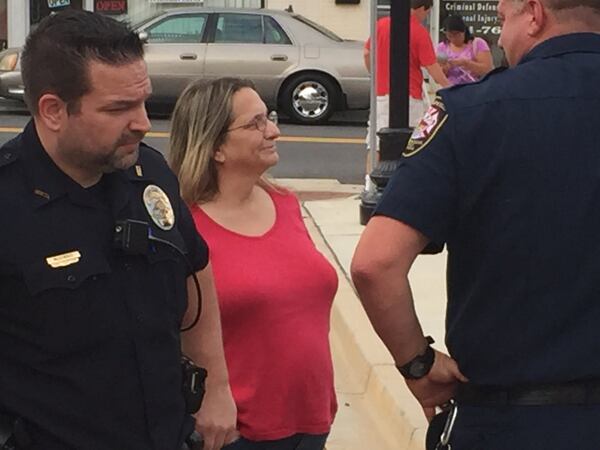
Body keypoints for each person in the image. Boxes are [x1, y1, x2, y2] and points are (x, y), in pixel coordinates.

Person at [351, 0, 600, 447]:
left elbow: (376, 263)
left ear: (535, 14)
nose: (500, 38)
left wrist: (418, 365)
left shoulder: (472, 112)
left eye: (503, 20)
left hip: (512, 421)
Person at [0, 10, 237, 450]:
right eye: (119, 108)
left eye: (143, 101)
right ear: (53, 110)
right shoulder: (7, 204)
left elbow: (195, 269)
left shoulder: (151, 175)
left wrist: (217, 387)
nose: (143, 122)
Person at [168, 78, 338, 450]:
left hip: (311, 424)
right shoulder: (184, 229)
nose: (274, 131)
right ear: (215, 148)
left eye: (269, 118)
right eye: (255, 123)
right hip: (235, 435)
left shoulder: (285, 203)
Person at [363, 0, 450, 176]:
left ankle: (369, 183)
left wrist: (375, 74)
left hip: (380, 94)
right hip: (409, 97)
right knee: (412, 144)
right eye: (426, 12)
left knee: (376, 144)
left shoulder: (381, 25)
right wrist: (450, 87)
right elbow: (432, 67)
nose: (425, 17)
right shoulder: (419, 32)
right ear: (420, 9)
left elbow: (367, 53)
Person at [436, 15, 494, 85]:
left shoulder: (477, 44)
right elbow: (437, 77)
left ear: (464, 32)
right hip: (451, 88)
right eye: (449, 36)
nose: (453, 39)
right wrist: (445, 69)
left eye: (457, 35)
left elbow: (487, 69)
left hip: (475, 88)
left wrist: (466, 63)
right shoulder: (441, 47)